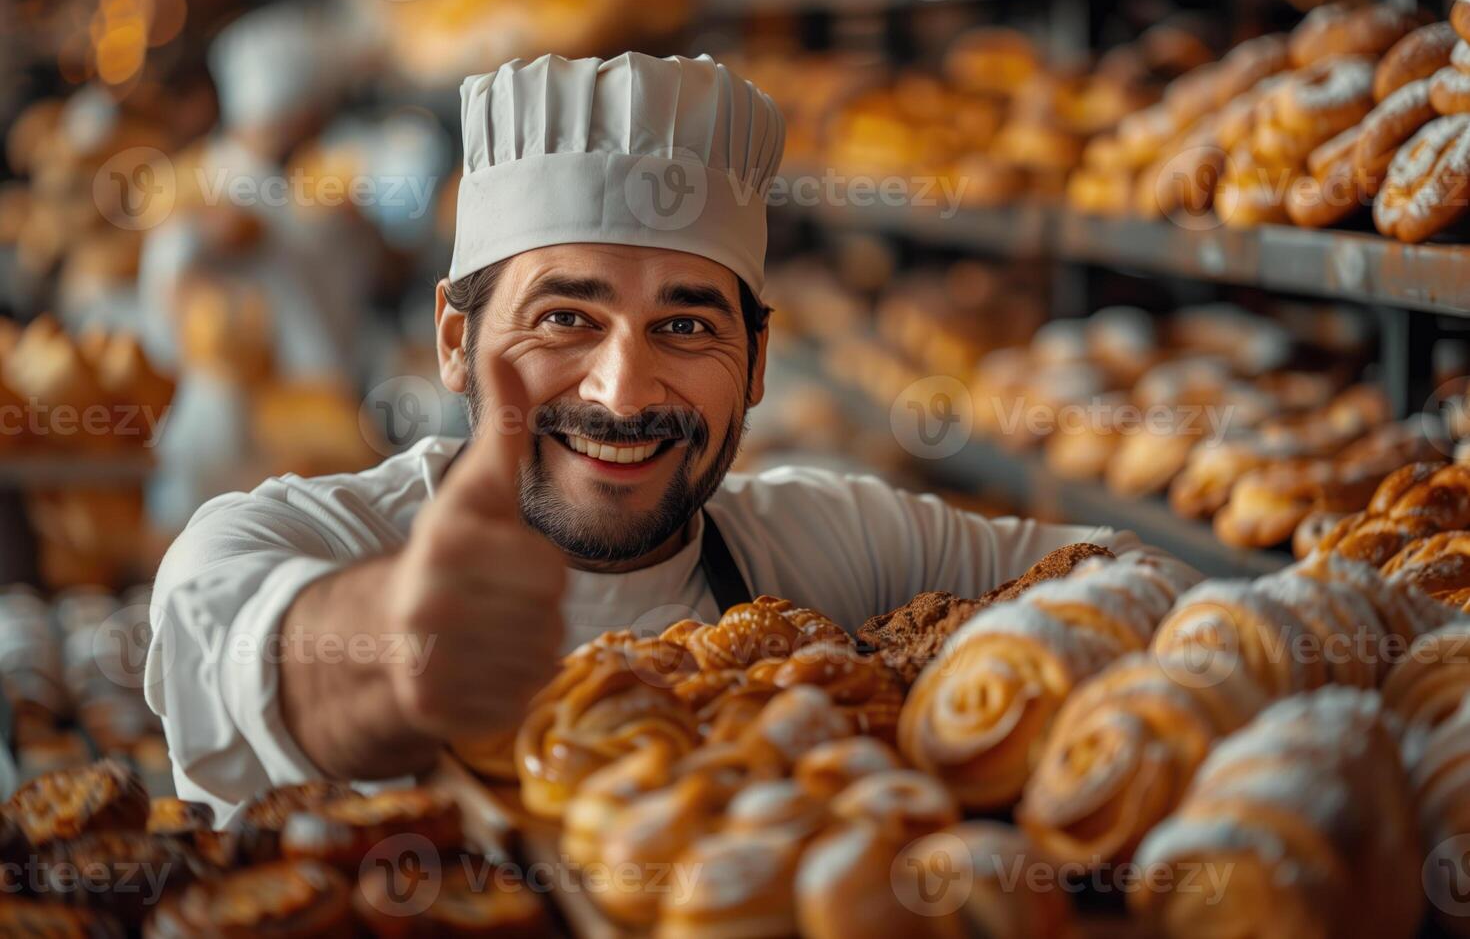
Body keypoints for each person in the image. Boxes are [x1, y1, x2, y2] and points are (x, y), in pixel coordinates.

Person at [146, 52, 1186, 823]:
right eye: (566, 318)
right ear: (456, 341)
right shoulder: (297, 536)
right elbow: (227, 646)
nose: (623, 388)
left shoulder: (837, 543)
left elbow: (1141, 587)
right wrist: (393, 646)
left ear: (759, 363)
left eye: (686, 326)